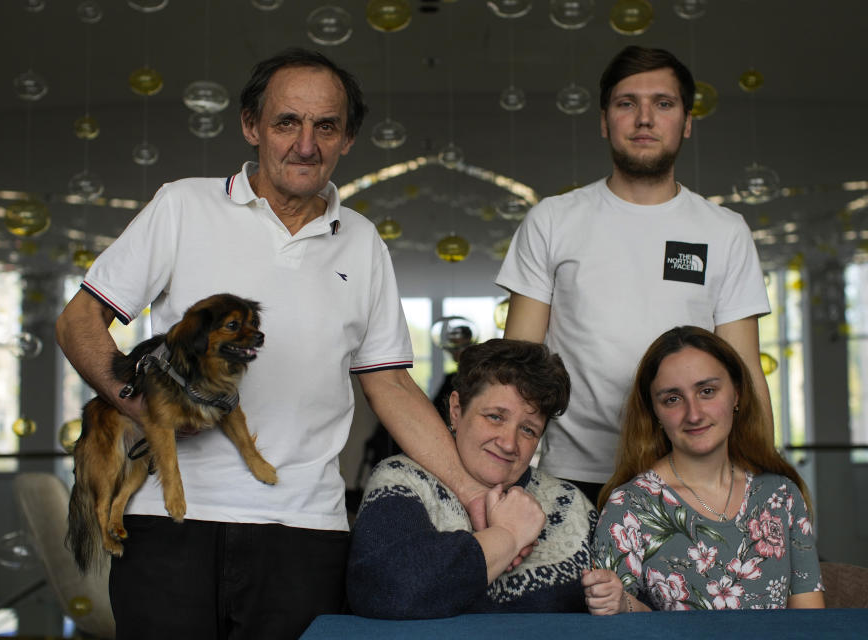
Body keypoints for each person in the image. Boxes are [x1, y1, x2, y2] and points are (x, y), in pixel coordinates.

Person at [56, 48, 491, 640]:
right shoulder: (183, 206)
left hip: (306, 533)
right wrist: (139, 402)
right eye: (287, 122)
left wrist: (470, 491)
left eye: (325, 126)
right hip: (170, 526)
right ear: (251, 126)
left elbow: (388, 383)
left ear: (347, 140)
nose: (305, 144)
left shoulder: (362, 242)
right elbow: (79, 322)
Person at [496, 45, 772, 506]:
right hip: (570, 480)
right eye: (627, 103)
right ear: (605, 121)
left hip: (691, 475)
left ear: (686, 122)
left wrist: (761, 481)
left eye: (663, 104)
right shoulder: (552, 220)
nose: (645, 118)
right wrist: (504, 474)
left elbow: (744, 370)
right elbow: (519, 366)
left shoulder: (724, 231)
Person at [347, 339, 614, 617]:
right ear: (456, 410)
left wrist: (618, 599)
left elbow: (620, 605)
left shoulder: (571, 504)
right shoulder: (401, 480)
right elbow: (387, 591)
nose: (509, 444)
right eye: (495, 417)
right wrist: (506, 537)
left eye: (528, 430)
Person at [584, 326, 824, 613]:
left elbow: (811, 621)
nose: (694, 414)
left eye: (707, 391)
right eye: (672, 399)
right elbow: (618, 624)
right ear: (655, 413)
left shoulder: (781, 495)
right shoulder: (630, 507)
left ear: (736, 394)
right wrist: (621, 604)